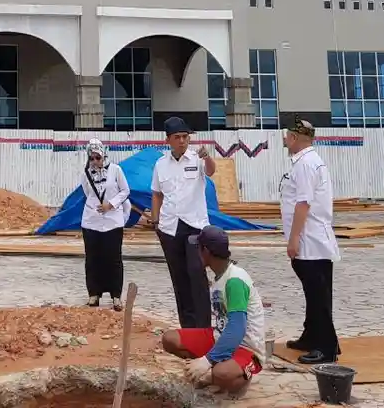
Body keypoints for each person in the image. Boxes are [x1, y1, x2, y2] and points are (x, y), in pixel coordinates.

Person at [161, 227, 266, 395]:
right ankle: (215, 368)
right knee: (170, 339)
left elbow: (237, 329)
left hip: (245, 347)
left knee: (222, 374)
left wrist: (207, 360)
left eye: (198, 248)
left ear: (206, 251)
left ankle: (237, 376)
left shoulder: (235, 281)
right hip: (219, 336)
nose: (196, 252)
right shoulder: (220, 275)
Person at [145, 116, 217, 329]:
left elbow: (211, 171)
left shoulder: (197, 159)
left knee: (197, 275)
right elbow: (157, 194)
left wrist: (208, 158)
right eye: (177, 137)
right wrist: (156, 221)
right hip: (169, 227)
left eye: (185, 137)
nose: (182, 141)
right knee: (179, 278)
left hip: (195, 225)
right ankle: (187, 326)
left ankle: (203, 327)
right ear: (168, 140)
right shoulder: (161, 164)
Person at [280, 118, 342, 365]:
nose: (285, 140)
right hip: (313, 238)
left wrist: (293, 239)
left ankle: (326, 347)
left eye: (286, 136)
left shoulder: (305, 164)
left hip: (310, 240)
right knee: (314, 293)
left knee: (318, 295)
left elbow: (303, 203)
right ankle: (311, 335)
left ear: (294, 138)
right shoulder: (309, 161)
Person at [79, 139, 131, 310]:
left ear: (104, 155)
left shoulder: (116, 170)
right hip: (91, 222)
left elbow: (125, 191)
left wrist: (111, 204)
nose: (95, 161)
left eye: (98, 158)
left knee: (114, 259)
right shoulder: (86, 173)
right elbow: (88, 193)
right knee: (92, 258)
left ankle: (116, 296)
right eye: (92, 158)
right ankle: (93, 294)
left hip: (112, 221)